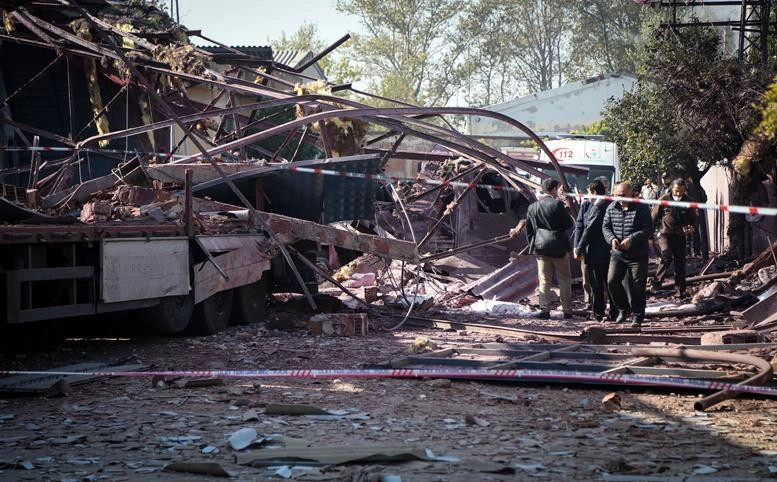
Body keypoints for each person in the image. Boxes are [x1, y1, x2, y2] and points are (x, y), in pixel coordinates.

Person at [602, 181, 652, 328]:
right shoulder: (611, 207)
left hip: (638, 254)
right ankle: (623, 309)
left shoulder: (641, 208)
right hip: (618, 253)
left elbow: (648, 229)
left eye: (623, 195)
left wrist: (632, 239)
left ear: (631, 194)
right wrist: (611, 239)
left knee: (637, 286)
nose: (620, 198)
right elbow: (606, 227)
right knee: (611, 281)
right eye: (617, 195)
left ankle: (637, 316)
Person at [526, 177, 574, 319]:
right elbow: (568, 225)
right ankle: (567, 310)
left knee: (544, 280)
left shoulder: (533, 207)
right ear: (553, 190)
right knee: (564, 279)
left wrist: (532, 245)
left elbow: (529, 230)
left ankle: (545, 310)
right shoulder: (557, 205)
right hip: (559, 247)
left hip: (541, 247)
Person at [650, 178, 698, 299]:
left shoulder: (688, 201)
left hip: (680, 235)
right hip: (664, 233)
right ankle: (657, 282)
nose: (678, 194)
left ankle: (679, 292)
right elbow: (654, 217)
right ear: (672, 188)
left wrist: (692, 227)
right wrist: (650, 236)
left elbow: (695, 218)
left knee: (680, 264)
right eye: (676, 191)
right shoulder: (664, 199)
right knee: (667, 255)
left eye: (681, 191)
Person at [574, 180, 611, 321]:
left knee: (596, 285)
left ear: (594, 192)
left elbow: (589, 230)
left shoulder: (598, 207)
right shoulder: (609, 204)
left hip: (597, 253)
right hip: (608, 251)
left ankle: (597, 313)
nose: (588, 196)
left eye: (589, 193)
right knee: (609, 284)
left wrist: (579, 248)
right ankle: (613, 312)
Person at [573, 183, 594, 310]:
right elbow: (579, 226)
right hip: (585, 247)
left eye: (589, 192)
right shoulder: (585, 205)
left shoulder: (606, 205)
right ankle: (588, 301)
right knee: (586, 278)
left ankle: (603, 300)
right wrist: (577, 246)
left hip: (600, 248)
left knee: (601, 278)